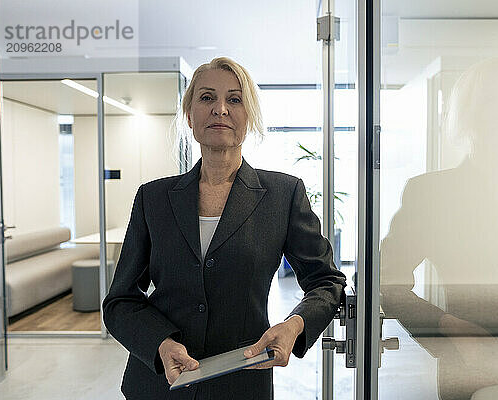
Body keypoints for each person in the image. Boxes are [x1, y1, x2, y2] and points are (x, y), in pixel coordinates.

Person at [102, 56, 347, 400]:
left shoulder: (283, 194)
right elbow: (120, 301)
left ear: (249, 117)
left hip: (242, 382)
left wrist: (294, 325)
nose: (220, 109)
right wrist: (159, 343)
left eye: (234, 99)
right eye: (206, 98)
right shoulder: (153, 198)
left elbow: (327, 281)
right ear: (189, 115)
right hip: (159, 385)